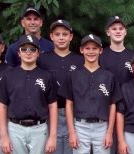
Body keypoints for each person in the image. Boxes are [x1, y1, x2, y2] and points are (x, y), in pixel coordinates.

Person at [59, 34, 122, 154]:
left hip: (102, 126)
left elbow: (112, 105)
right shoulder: (73, 75)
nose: (91, 51)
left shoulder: (108, 76)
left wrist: (109, 132)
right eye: (87, 48)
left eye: (94, 48)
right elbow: (68, 104)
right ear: (81, 50)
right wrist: (72, 132)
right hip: (80, 126)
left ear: (100, 50)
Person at [0, 34, 58, 154]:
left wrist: (52, 136)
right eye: (24, 49)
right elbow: (2, 106)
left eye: (32, 49)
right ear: (19, 53)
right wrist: (4, 136)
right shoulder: (8, 76)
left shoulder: (46, 76)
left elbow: (52, 106)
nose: (28, 52)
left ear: (38, 53)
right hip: (15, 128)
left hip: (39, 129)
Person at [39, 19, 83, 154]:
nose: (61, 38)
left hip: (74, 112)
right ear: (51, 36)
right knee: (52, 149)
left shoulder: (80, 59)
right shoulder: (42, 59)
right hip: (50, 112)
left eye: (65, 34)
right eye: (57, 34)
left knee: (73, 148)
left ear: (71, 36)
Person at [99, 16, 134, 85]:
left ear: (125, 32)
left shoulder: (133, 57)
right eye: (114, 29)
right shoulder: (100, 56)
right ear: (108, 32)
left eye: (121, 29)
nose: (118, 31)